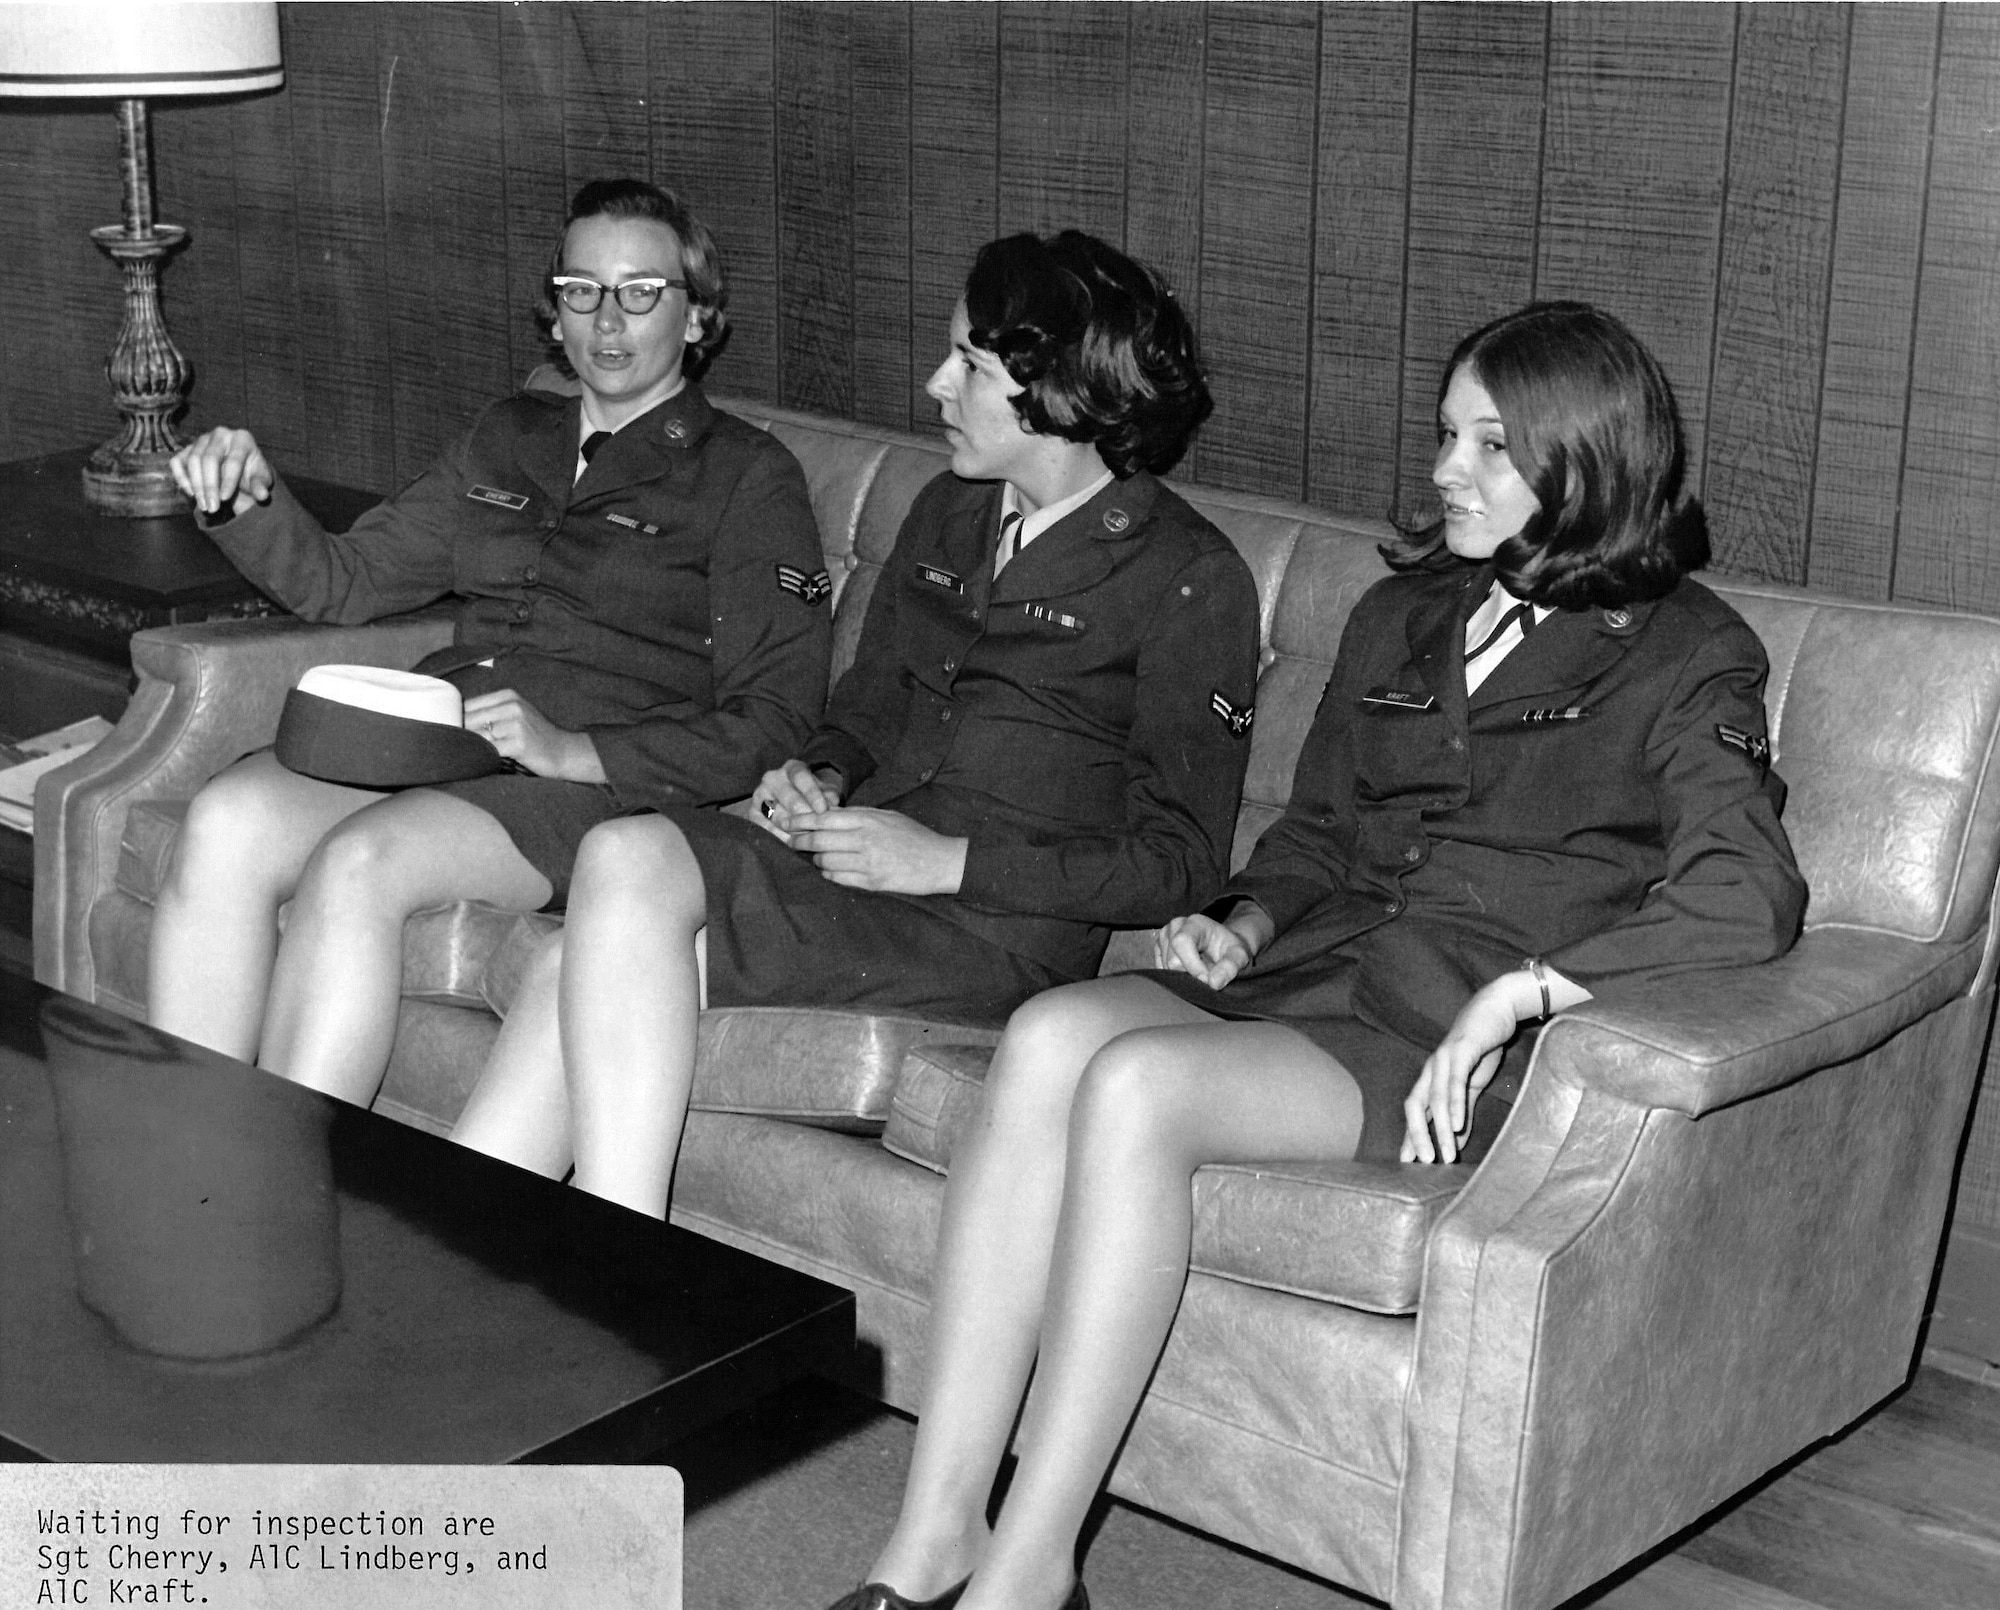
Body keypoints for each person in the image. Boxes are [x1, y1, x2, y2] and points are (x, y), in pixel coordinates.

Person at [822, 302, 1809, 1610]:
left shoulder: (1689, 652)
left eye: (1491, 446)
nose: (1448, 469)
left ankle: (1028, 1565)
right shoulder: (1401, 613)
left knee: (1133, 1087)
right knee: (1049, 1032)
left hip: (1443, 1039)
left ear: (1589, 463)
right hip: (1319, 971)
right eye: (1447, 434)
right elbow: (1320, 833)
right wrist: (1243, 921)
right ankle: (932, 1534)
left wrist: (1523, 994)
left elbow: (1750, 893)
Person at [450, 230, 1264, 1223]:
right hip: (854, 880)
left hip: (988, 937)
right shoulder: (949, 510)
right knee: (585, 933)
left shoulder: (1188, 576)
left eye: (966, 363)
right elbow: (872, 697)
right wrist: (822, 772)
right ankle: (470, 1257)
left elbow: (1180, 863)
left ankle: (618, 1257)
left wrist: (946, 861)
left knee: (602, 899)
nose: (934, 385)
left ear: (1054, 385)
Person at [150, 177, 831, 1104]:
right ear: (553, 315)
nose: (608, 320)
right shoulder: (507, 436)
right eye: (580, 291)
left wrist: (577, 751)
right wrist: (248, 499)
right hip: (443, 746)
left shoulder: (747, 475)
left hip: (587, 795)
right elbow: (346, 581)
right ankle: (182, 1149)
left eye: (641, 292)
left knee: (360, 862)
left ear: (699, 317)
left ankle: (279, 1180)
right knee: (225, 820)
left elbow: (777, 718)